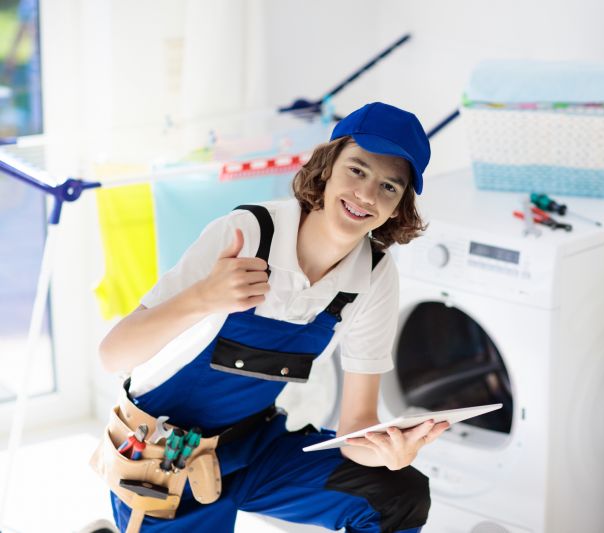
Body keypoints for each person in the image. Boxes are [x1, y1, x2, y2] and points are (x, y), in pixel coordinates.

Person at [98, 102, 449, 533]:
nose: (367, 196)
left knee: (398, 495)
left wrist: (390, 452)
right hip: (163, 460)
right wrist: (203, 297)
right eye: (357, 170)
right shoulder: (247, 233)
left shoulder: (374, 274)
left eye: (389, 187)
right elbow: (113, 355)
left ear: (398, 208)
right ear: (327, 166)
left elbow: (357, 424)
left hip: (255, 449)